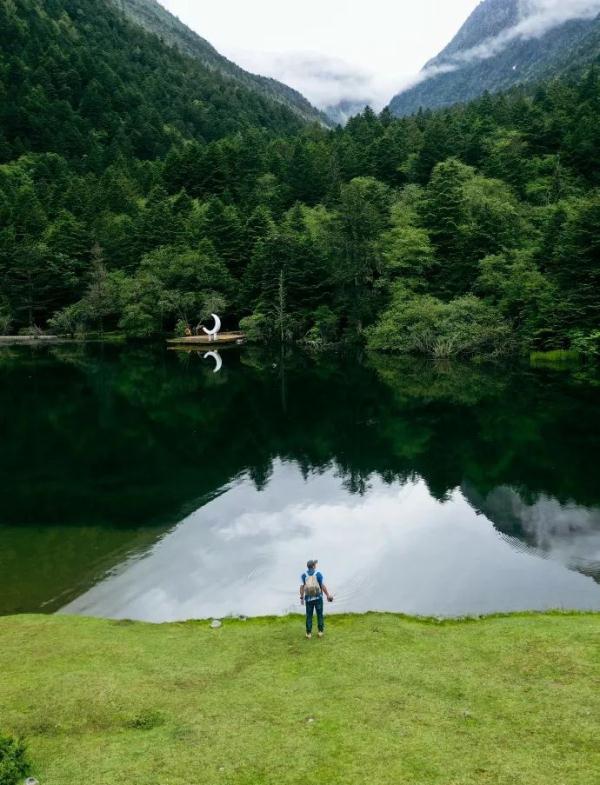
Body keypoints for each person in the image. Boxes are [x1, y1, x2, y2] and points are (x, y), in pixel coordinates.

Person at [300, 559, 333, 639]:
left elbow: (302, 587)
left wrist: (301, 597)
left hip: (308, 599)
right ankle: (320, 632)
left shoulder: (304, 575)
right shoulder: (318, 574)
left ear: (307, 567)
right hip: (318, 598)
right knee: (319, 615)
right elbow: (322, 585)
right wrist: (328, 595)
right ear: (314, 566)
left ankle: (308, 633)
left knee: (309, 616)